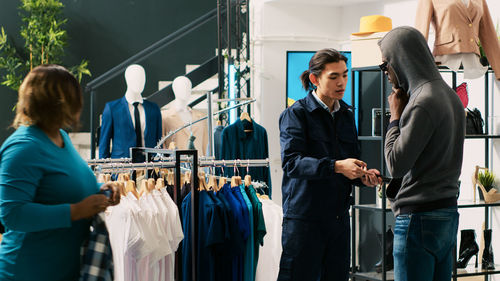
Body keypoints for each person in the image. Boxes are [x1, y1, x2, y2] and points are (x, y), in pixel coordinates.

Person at [0, 64, 121, 281]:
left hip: (62, 269)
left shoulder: (60, 137)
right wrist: (75, 211)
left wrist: (100, 190)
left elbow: (65, 186)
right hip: (28, 272)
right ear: (56, 103)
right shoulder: (23, 147)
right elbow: (12, 214)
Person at [278, 48, 381, 281]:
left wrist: (362, 176)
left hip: (339, 221)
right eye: (333, 76)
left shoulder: (346, 114)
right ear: (315, 79)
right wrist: (337, 166)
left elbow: (349, 162)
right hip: (304, 221)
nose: (341, 82)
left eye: (344, 75)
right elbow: (292, 163)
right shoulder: (296, 114)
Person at [379, 26, 465, 281]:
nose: (386, 74)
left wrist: (394, 117)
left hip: (418, 219)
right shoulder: (450, 96)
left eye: (385, 66)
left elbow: (395, 164)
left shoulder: (422, 101)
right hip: (447, 214)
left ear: (400, 60)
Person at [99, 64, 162, 159]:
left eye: (142, 78)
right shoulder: (112, 108)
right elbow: (104, 144)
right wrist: (104, 170)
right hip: (121, 167)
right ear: (127, 79)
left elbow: (159, 141)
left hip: (150, 166)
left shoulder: (153, 109)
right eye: (136, 78)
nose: (140, 82)